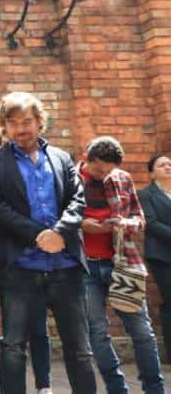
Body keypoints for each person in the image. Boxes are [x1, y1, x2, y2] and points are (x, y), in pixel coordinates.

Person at [0, 91, 95, 394]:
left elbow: (77, 200)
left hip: (66, 265)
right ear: (3, 126)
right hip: (20, 267)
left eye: (27, 121)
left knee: (80, 348)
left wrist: (59, 232)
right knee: (14, 346)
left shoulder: (60, 158)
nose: (21, 129)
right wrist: (38, 235)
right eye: (13, 123)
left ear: (40, 122)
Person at [77, 136, 164, 394]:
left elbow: (139, 216)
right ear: (86, 158)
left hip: (122, 262)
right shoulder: (70, 180)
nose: (104, 175)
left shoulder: (122, 178)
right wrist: (83, 225)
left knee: (142, 331)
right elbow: (58, 218)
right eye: (99, 169)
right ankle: (117, 389)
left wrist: (131, 224)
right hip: (85, 267)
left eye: (109, 170)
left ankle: (155, 389)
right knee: (98, 333)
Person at [142, 153, 171, 361]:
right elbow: (151, 224)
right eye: (162, 165)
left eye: (170, 164)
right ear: (152, 173)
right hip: (162, 256)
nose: (168, 167)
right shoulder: (146, 195)